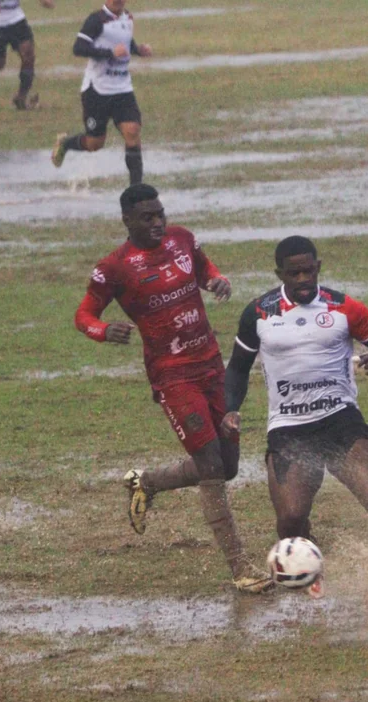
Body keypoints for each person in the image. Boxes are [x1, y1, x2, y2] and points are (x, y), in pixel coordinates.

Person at [74, 183, 271, 594]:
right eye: (147, 217)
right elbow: (84, 314)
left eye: (160, 213)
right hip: (172, 375)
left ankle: (147, 482)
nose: (157, 222)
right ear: (127, 220)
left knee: (228, 466)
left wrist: (217, 281)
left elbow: (205, 270)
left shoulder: (182, 239)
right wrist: (103, 330)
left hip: (213, 366)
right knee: (211, 465)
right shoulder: (114, 268)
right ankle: (241, 568)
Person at [221, 236, 368, 599]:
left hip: (341, 423)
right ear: (280, 274)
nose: (304, 278)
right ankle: (309, 567)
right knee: (290, 520)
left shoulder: (344, 307)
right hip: (289, 431)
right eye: (295, 273)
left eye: (309, 270)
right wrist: (231, 407)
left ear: (318, 267)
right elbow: (238, 369)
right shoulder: (259, 313)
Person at [50, 0, 153, 185]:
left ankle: (136, 190)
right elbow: (79, 48)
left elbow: (125, 43)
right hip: (96, 90)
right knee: (94, 143)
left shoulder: (128, 18)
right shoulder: (96, 20)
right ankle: (66, 143)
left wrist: (138, 50)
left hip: (122, 88)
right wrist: (110, 53)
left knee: (133, 131)